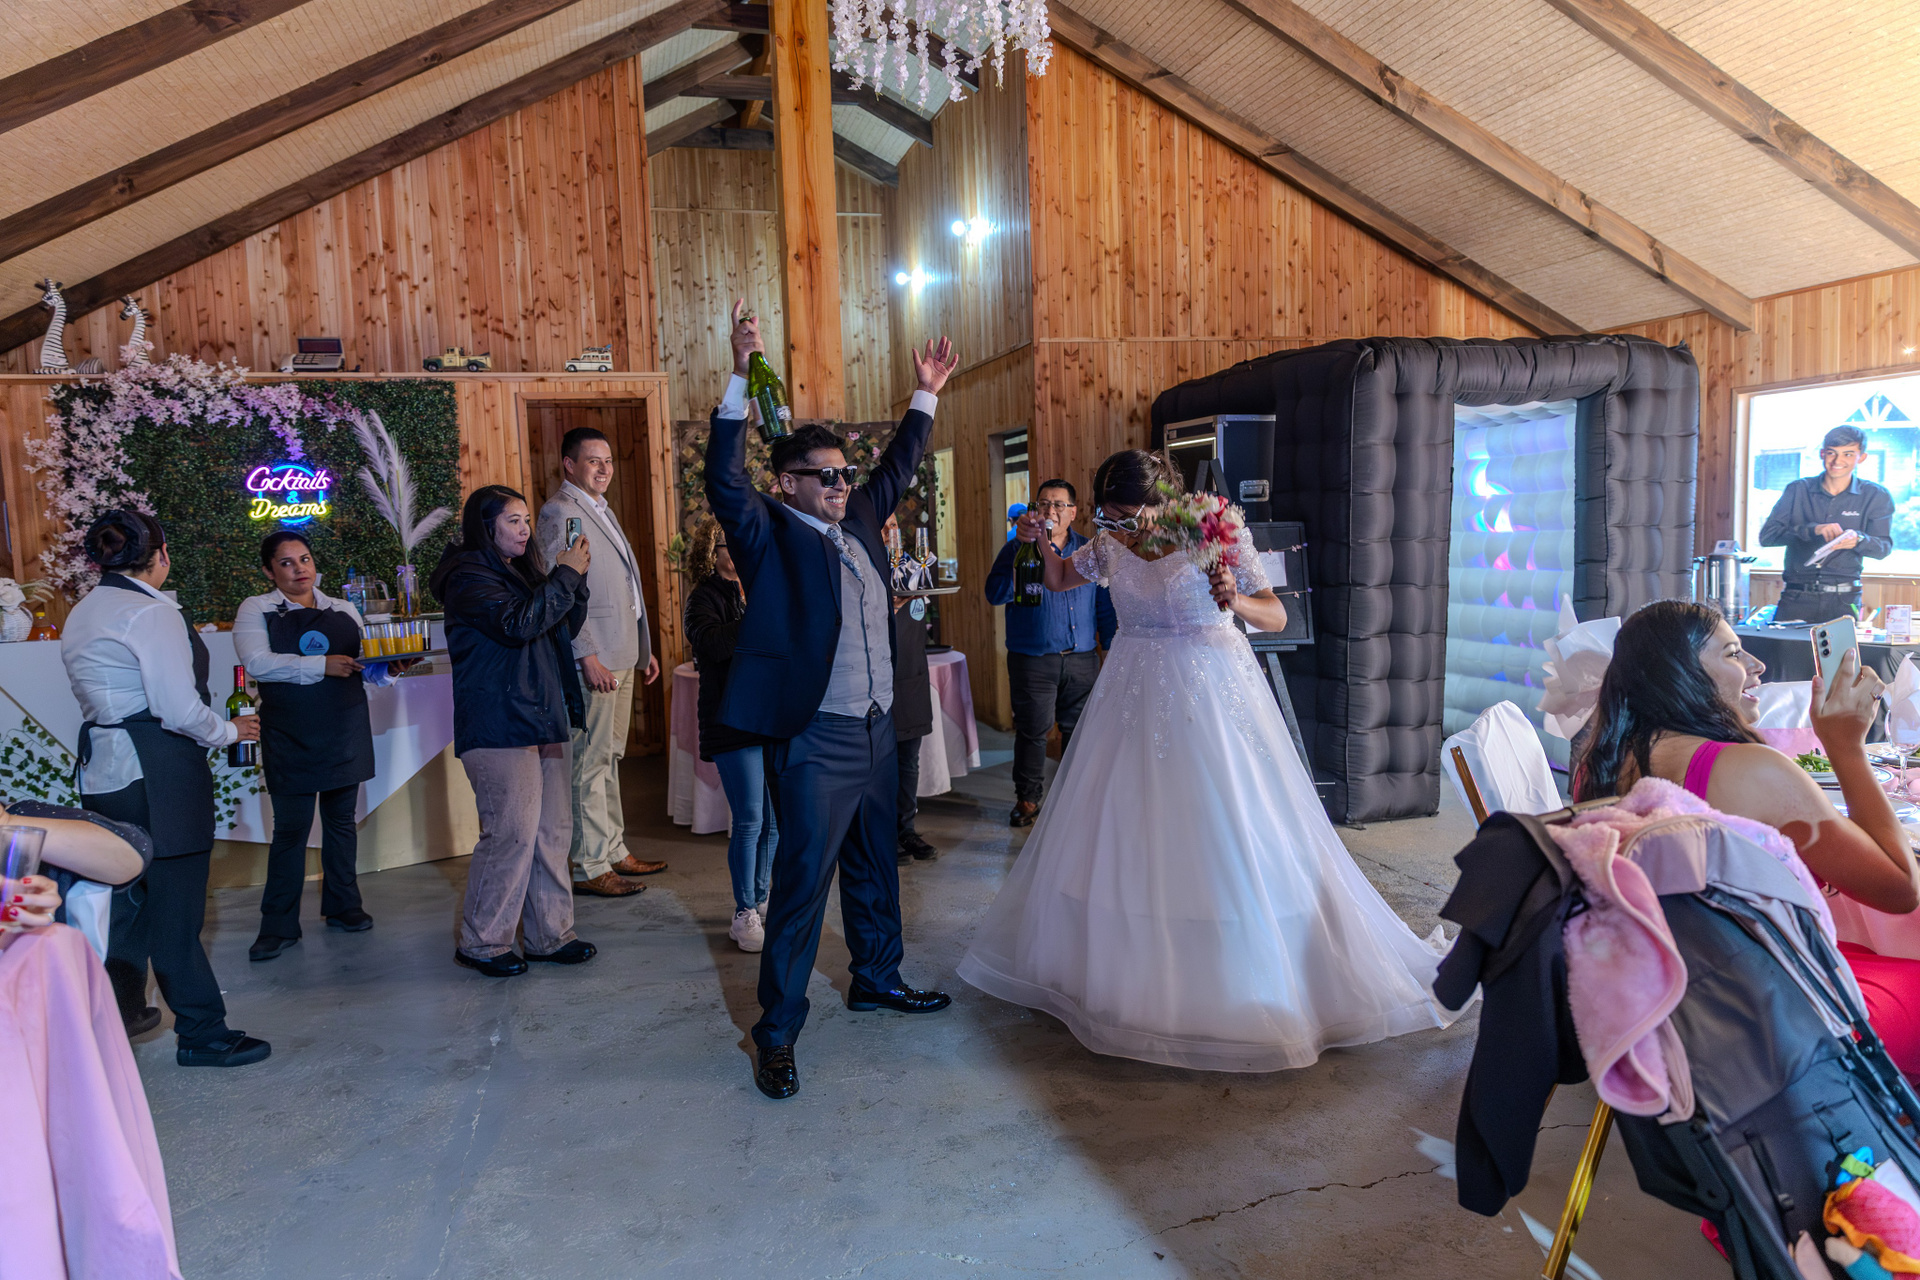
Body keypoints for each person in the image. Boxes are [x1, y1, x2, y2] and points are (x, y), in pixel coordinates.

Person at [957, 451, 1459, 1071]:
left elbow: (1276, 613)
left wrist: (1236, 599)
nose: (1119, 530)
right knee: (1125, 829)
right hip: (1130, 693)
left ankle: (1234, 975)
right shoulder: (1110, 544)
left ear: (1162, 503)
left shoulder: (1214, 531)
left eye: (1129, 517)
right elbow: (1060, 578)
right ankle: (1128, 972)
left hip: (1211, 689)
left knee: (1224, 826)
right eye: (1109, 519)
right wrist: (1038, 541)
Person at [705, 299, 958, 1100]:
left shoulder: (859, 523)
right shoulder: (768, 534)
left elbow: (898, 467)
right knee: (802, 890)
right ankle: (776, 1033)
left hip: (878, 732)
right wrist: (740, 377)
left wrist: (926, 395)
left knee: (876, 866)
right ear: (788, 483)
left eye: (846, 475)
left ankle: (877, 977)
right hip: (817, 737)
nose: (844, 485)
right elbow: (723, 479)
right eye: (828, 476)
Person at [1572, 599, 1920, 1074]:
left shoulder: (1600, 765)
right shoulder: (1750, 770)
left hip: (1669, 1004)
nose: (1758, 665)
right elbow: (1901, 888)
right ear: (1679, 673)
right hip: (1776, 1020)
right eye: (1734, 653)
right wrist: (1846, 748)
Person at [61, 509, 270, 1067]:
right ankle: (202, 1033)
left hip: (106, 771)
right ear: (161, 555)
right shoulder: (149, 613)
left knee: (127, 902)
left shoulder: (85, 609)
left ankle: (116, 1017)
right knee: (176, 910)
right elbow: (178, 709)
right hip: (157, 769)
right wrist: (230, 731)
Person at [430, 485, 597, 977]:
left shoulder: (520, 572)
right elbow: (518, 624)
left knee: (551, 834)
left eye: (526, 520)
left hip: (542, 714)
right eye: (513, 521)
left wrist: (575, 582)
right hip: (500, 722)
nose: (525, 530)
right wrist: (564, 576)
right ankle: (483, 943)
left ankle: (550, 935)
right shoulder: (467, 576)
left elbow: (559, 628)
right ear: (486, 527)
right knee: (511, 834)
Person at [234, 530, 399, 961]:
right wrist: (321, 665)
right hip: (290, 733)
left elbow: (364, 670)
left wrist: (391, 668)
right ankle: (278, 924)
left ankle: (344, 906)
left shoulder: (343, 609)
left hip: (344, 727)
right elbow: (258, 664)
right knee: (291, 829)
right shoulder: (256, 609)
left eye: (304, 559)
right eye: (286, 563)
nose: (299, 569)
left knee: (341, 821)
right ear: (269, 571)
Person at [537, 428, 665, 899]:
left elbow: (620, 586)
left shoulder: (600, 508)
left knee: (610, 757)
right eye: (593, 461)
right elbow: (562, 591)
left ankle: (613, 849)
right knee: (589, 763)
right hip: (593, 658)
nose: (604, 468)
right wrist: (585, 653)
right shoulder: (560, 512)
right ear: (569, 465)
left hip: (621, 650)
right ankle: (589, 863)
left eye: (608, 460)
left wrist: (643, 646)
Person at [984, 479, 1117, 828]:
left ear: (1073, 512)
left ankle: (1074, 799)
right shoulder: (1016, 548)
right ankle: (1028, 799)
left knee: (1079, 732)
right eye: (1044, 504)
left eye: (1059, 504)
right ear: (1035, 511)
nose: (1051, 510)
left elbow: (1104, 606)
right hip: (1033, 659)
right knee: (1033, 731)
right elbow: (994, 594)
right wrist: (1021, 553)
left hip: (1082, 658)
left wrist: (1110, 650)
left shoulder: (1089, 550)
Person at [682, 516, 777, 952]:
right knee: (750, 819)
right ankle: (744, 912)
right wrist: (759, 616)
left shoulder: (756, 588)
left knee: (773, 823)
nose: (738, 549)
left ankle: (760, 896)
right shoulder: (703, 597)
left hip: (767, 718)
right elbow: (712, 645)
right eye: (728, 543)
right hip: (730, 719)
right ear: (711, 551)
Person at [1759, 424, 1893, 623]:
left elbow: (1883, 548)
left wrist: (1858, 540)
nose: (1838, 461)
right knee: (1781, 645)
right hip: (1796, 598)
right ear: (1822, 454)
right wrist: (1812, 530)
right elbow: (1767, 537)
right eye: (1832, 453)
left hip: (1844, 600)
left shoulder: (1876, 495)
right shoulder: (1797, 489)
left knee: (1844, 646)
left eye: (1848, 454)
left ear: (1861, 457)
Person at [886, 514, 938, 865]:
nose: (890, 532)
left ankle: (906, 829)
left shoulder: (914, 567)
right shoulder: (861, 565)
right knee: (880, 764)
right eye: (882, 525)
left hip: (912, 677)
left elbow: (924, 601)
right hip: (876, 681)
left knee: (909, 762)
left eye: (893, 526)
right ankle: (881, 835)